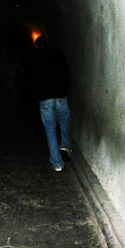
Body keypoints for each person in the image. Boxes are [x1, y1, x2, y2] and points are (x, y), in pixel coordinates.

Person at [30, 35, 72, 172]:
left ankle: (56, 162)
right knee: (64, 121)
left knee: (50, 128)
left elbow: (32, 78)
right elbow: (66, 73)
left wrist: (37, 95)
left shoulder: (35, 57)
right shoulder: (58, 54)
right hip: (60, 94)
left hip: (45, 97)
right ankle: (65, 145)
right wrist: (64, 89)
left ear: (37, 45)